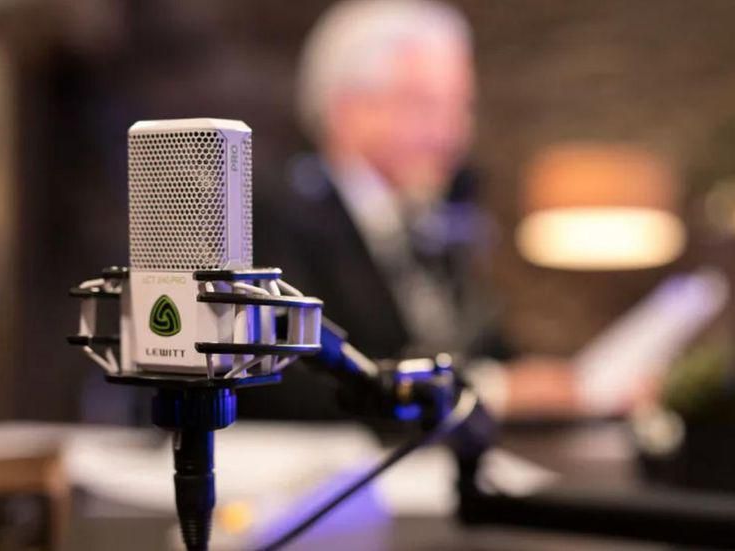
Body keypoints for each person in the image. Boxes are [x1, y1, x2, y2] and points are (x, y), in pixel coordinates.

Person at [240, 0, 580, 420]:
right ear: (348, 109)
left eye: (461, 107)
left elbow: (475, 343)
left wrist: (556, 381)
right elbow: (294, 385)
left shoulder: (434, 218)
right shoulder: (277, 216)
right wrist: (495, 390)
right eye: (425, 105)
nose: (452, 132)